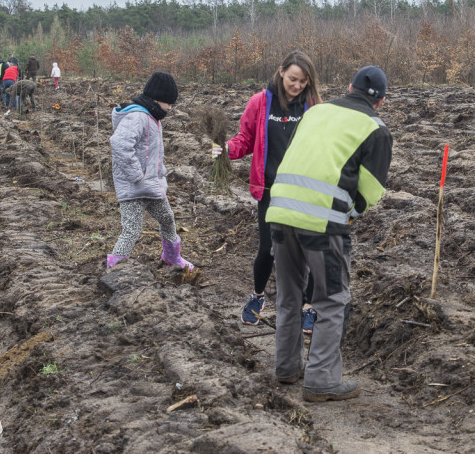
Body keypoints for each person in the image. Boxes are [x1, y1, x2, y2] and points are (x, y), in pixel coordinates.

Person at [266, 65, 393, 402]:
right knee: (332, 299)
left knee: (289, 294)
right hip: (322, 224)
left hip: (278, 211)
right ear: (380, 102)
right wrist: (348, 215)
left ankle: (286, 367)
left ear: (349, 87)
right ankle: (321, 381)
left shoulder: (316, 111)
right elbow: (371, 190)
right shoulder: (376, 128)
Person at [216, 51, 321, 329]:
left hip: (303, 190)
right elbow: (245, 139)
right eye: (292, 79)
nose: (297, 85)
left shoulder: (313, 104)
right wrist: (225, 149)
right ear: (281, 72)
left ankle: (307, 305)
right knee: (267, 250)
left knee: (307, 250)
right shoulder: (260, 102)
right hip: (270, 190)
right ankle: (257, 296)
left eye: (303, 81)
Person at [106, 72, 194, 272]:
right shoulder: (137, 117)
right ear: (156, 98)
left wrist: (159, 171)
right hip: (134, 187)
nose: (170, 108)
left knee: (167, 218)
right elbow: (119, 144)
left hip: (152, 185)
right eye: (168, 103)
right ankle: (114, 269)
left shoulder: (154, 118)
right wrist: (137, 175)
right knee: (132, 230)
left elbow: (152, 152)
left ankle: (172, 257)